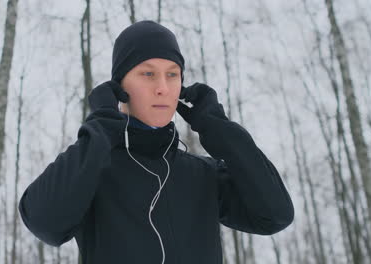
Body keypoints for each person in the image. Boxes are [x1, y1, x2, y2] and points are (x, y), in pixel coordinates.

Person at [18, 20, 294, 264]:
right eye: (148, 73)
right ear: (119, 88)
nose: (163, 87)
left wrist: (217, 127)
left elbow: (275, 215)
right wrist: (102, 124)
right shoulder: (90, 170)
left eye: (172, 74)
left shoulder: (203, 175)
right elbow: (44, 222)